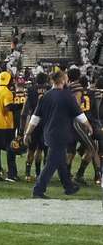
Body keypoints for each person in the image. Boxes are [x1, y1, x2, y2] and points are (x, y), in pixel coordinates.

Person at [25, 68, 90, 198]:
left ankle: (69, 187)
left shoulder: (45, 96)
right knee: (51, 164)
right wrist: (88, 125)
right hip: (61, 134)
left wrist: (27, 133)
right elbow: (79, 114)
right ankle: (38, 190)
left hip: (48, 133)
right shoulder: (67, 95)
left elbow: (35, 117)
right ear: (62, 80)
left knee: (60, 162)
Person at [21, 71, 50, 181]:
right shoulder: (50, 89)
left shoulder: (31, 89)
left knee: (31, 149)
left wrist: (22, 129)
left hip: (34, 121)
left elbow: (25, 110)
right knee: (41, 150)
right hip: (46, 122)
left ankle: (27, 174)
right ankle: (39, 174)